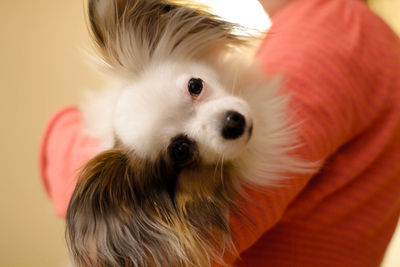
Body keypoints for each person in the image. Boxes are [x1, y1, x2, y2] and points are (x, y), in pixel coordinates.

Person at [40, 0, 400, 265]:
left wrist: (61, 131)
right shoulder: (351, 31)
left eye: (196, 88)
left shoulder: (334, 27)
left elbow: (183, 249)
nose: (221, 122)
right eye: (182, 149)